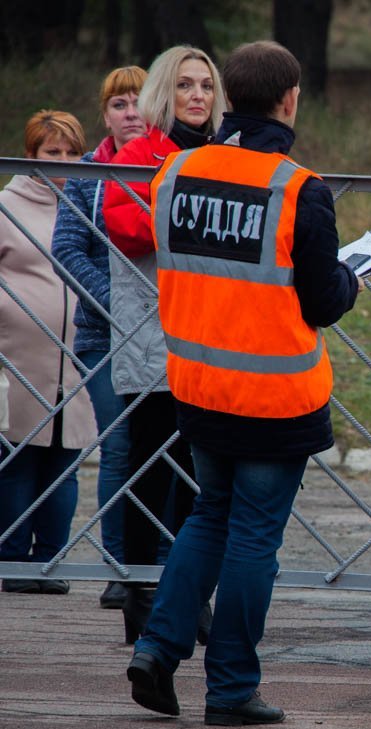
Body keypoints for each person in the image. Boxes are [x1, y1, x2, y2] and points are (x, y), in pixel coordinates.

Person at [126, 40, 360, 724]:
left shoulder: (175, 173)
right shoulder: (299, 189)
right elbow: (323, 301)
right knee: (254, 536)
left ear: (229, 99)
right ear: (290, 101)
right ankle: (230, 689)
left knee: (209, 516)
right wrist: (350, 278)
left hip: (200, 387)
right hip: (274, 398)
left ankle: (156, 649)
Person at [102, 44, 226, 644]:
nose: (197, 95)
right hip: (152, 338)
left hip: (212, 340)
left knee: (201, 475)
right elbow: (125, 227)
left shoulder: (227, 156)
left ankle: (188, 591)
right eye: (184, 84)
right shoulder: (137, 154)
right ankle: (140, 593)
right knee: (150, 470)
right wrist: (198, 214)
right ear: (162, 93)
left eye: (206, 85)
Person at [52, 65, 148, 610]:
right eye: (119, 105)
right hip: (102, 334)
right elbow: (67, 249)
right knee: (120, 445)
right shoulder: (89, 173)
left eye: (139, 102)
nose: (131, 113)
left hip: (166, 336)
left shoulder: (171, 165)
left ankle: (163, 561)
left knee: (166, 446)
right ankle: (120, 567)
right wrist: (119, 304)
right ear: (105, 115)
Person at [0, 111, 92, 595]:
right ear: (30, 154)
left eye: (72, 152)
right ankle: (13, 559)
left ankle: (51, 560)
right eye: (52, 152)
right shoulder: (6, 206)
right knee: (18, 457)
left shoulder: (88, 203)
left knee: (64, 462)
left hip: (76, 357)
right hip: (17, 355)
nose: (63, 161)